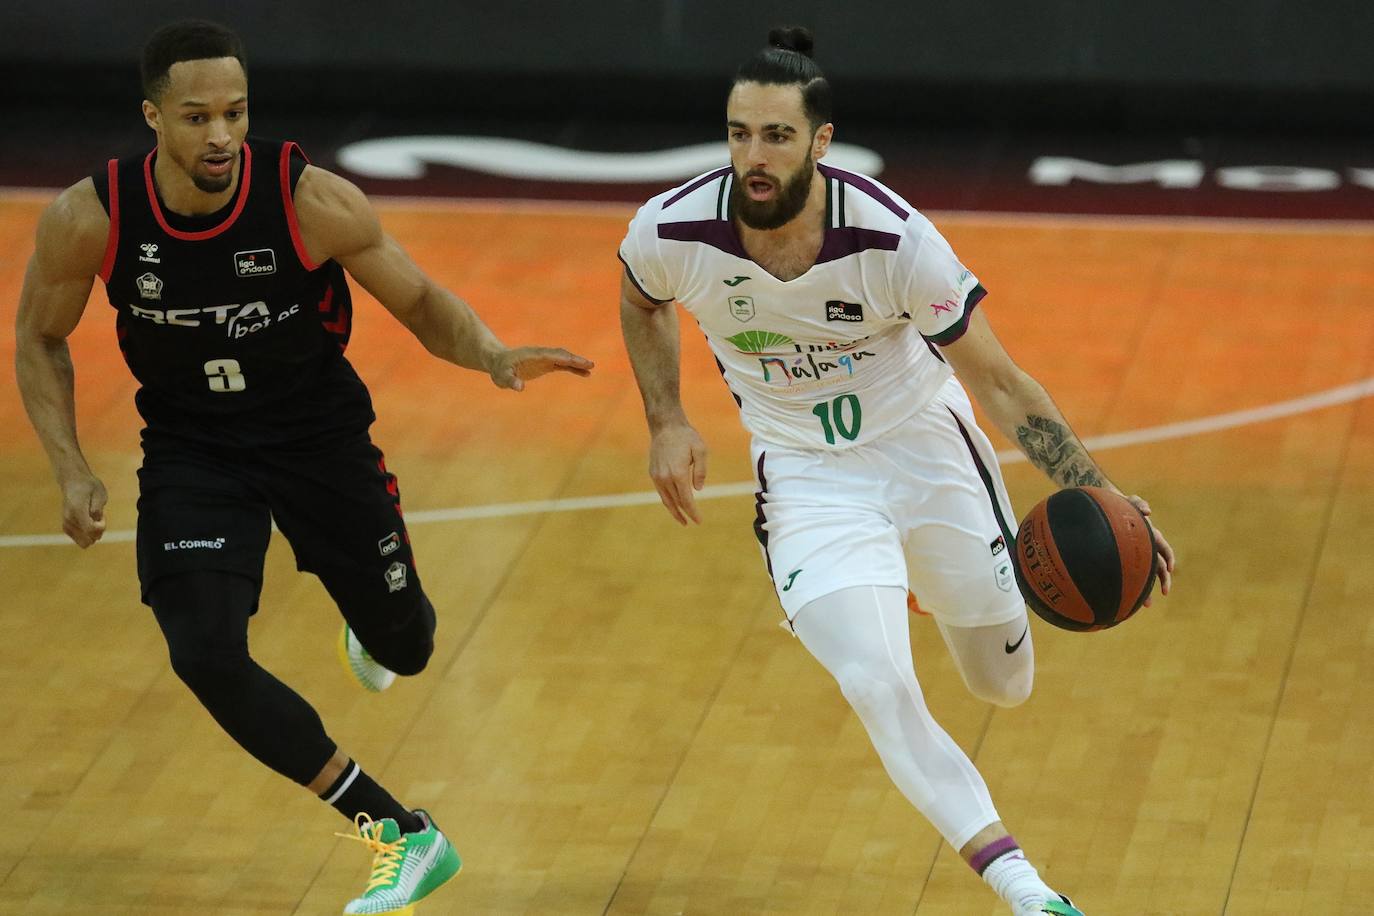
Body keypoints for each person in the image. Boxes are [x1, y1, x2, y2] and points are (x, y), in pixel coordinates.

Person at [14, 19, 594, 916]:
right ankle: (401, 833)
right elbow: (40, 338)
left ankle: (370, 619)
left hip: (316, 436)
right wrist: (71, 469)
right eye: (197, 116)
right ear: (152, 118)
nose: (220, 136)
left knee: (408, 644)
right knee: (203, 651)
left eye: (236, 114)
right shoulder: (92, 217)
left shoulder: (309, 200)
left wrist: (490, 353)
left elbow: (419, 298)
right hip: (192, 449)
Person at [618, 26, 1174, 916]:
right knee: (879, 684)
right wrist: (666, 416)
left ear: (821, 142)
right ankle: (1026, 891)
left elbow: (996, 378)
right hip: (805, 475)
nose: (752, 158)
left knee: (1004, 685)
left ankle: (921, 581)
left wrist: (1096, 491)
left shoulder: (894, 237)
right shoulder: (672, 228)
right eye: (738, 134)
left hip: (925, 446)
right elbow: (641, 298)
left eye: (776, 136)